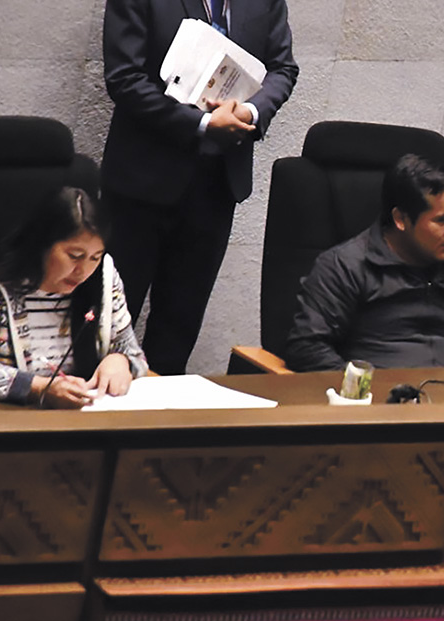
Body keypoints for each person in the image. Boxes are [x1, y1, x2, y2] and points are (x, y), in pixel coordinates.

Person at [101, 0, 298, 374]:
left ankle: (157, 424)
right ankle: (92, 425)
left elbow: (282, 68)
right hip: (139, 186)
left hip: (216, 185)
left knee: (179, 325)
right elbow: (124, 78)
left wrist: (251, 111)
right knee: (107, 322)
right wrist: (202, 124)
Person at [284, 154, 444, 372]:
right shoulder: (344, 267)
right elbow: (307, 347)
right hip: (375, 401)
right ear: (400, 219)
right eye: (442, 219)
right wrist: (362, 391)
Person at [0, 187, 149, 408]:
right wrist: (37, 387)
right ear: (42, 245)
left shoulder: (102, 281)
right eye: (75, 256)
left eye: (94, 257)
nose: (83, 271)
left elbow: (134, 356)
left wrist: (121, 362)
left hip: (84, 421)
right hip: (8, 422)